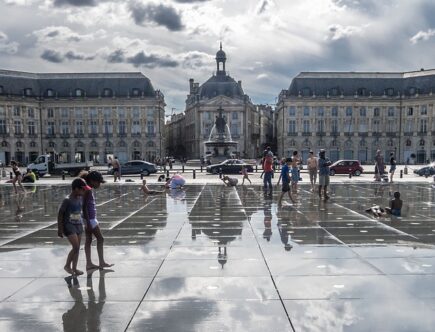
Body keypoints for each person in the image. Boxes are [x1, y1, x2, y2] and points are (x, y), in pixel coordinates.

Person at [79, 171, 113, 271]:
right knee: (100, 239)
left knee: (89, 240)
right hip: (90, 219)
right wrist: (89, 222)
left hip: (87, 218)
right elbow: (84, 206)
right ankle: (101, 262)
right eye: (98, 182)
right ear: (92, 181)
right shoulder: (88, 190)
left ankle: (89, 263)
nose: (99, 184)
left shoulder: (86, 188)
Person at [57, 178, 91, 276]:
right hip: (69, 225)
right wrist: (60, 228)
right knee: (75, 247)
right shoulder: (67, 200)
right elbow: (60, 213)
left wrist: (86, 222)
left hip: (78, 224)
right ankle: (67, 266)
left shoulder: (80, 198)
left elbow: (81, 211)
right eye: (83, 189)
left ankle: (74, 268)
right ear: (76, 189)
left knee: (77, 248)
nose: (84, 191)